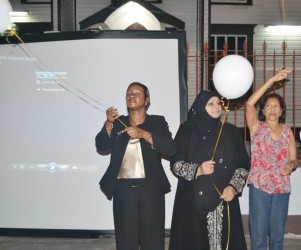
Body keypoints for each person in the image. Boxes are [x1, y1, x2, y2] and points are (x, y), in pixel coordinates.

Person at [95, 82, 176, 250]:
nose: (131, 95)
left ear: (147, 100)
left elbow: (171, 148)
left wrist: (143, 134)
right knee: (125, 242)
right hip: (123, 191)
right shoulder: (118, 123)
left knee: (153, 241)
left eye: (136, 92)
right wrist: (108, 123)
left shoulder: (157, 122)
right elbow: (101, 145)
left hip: (151, 190)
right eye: (128, 93)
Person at [169, 90, 250, 250]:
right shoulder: (187, 130)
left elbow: (243, 164)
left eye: (218, 103)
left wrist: (233, 187)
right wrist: (197, 169)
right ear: (200, 107)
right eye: (210, 104)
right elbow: (176, 163)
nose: (216, 107)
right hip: (192, 200)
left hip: (224, 198)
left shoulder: (230, 131)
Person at [246, 69, 298, 250]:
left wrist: (290, 166)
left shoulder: (287, 131)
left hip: (282, 188)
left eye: (276, 106)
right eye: (268, 105)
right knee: (259, 238)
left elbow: (293, 159)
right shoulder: (256, 127)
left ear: (281, 110)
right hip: (260, 188)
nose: (272, 109)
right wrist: (272, 81)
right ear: (263, 110)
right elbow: (249, 104)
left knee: (277, 239)